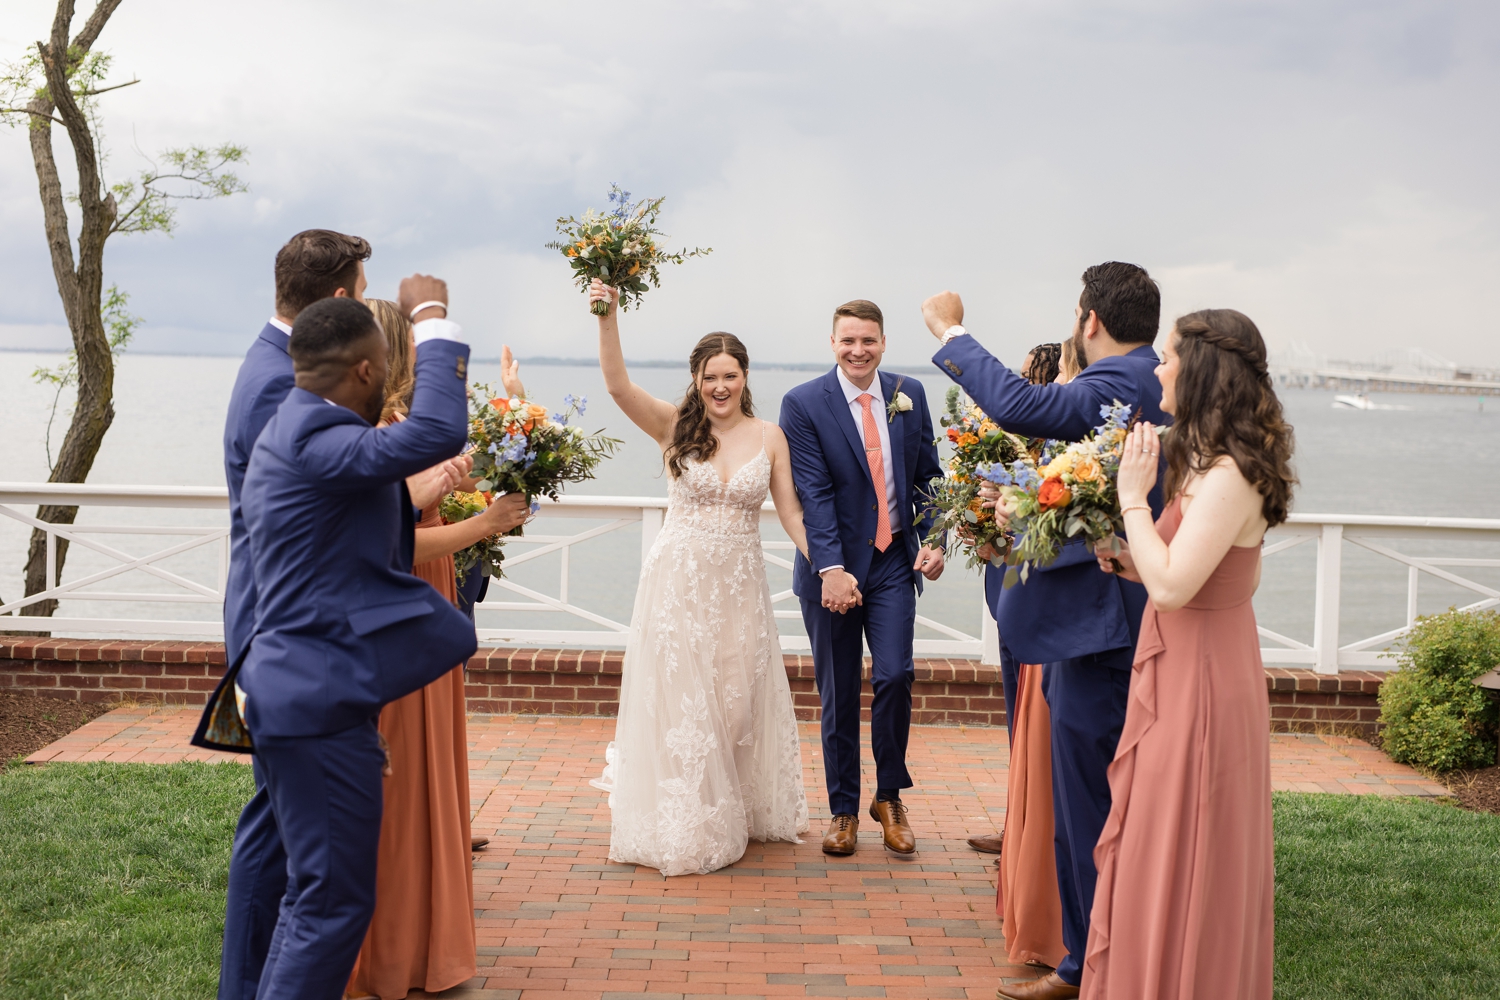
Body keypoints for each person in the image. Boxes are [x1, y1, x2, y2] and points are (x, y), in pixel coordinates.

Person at [923, 262, 1168, 1000]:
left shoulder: (1123, 382)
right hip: (1102, 624)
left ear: (1088, 319)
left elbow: (1022, 404)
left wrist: (951, 330)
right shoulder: (1149, 380)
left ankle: (1091, 968)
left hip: (1101, 630)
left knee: (1089, 807)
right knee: (1088, 805)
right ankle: (1086, 956)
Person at [234, 281, 478, 1000]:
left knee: (311, 902)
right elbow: (437, 431)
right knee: (333, 906)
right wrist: (432, 321)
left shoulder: (296, 426)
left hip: (297, 695)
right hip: (317, 706)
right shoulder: (320, 438)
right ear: (367, 371)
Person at [1081, 309, 1293, 1000]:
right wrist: (1120, 553)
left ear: (1201, 370)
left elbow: (1173, 585)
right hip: (1190, 662)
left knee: (1184, 844)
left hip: (1202, 682)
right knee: (1156, 843)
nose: (1158, 369)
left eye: (1168, 357)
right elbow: (1212, 575)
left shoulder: (1231, 474)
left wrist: (1130, 502)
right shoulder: (1206, 461)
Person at [584, 278, 809, 876]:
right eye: (710, 376)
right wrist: (608, 315)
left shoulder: (770, 436)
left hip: (740, 584)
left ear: (745, 378)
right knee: (684, 705)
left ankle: (727, 804)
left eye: (730, 375)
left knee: (734, 703)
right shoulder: (672, 426)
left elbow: (789, 510)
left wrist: (828, 562)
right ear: (696, 380)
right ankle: (688, 817)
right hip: (678, 582)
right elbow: (616, 385)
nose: (719, 386)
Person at [197, 229, 370, 1000]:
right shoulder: (279, 385)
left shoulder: (272, 363)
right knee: (280, 831)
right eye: (364, 294)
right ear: (339, 300)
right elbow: (310, 506)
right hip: (281, 632)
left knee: (276, 820)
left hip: (276, 626)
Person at [345, 301, 528, 1000]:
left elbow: (455, 471)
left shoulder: (398, 428)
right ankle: (391, 951)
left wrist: (516, 412)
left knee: (425, 777)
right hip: (398, 606)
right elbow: (395, 540)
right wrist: (483, 521)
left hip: (426, 603)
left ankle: (421, 943)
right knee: (399, 783)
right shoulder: (378, 433)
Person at [780, 299, 946, 857]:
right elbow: (813, 494)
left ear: (882, 343)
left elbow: (929, 478)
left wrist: (937, 539)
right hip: (833, 569)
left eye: (868, 341)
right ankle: (844, 809)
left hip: (894, 562)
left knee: (897, 675)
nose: (858, 351)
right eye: (848, 341)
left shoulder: (909, 394)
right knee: (839, 690)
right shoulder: (803, 404)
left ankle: (890, 796)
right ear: (832, 343)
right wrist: (830, 569)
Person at [968, 341, 1063, 858]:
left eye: (1030, 376)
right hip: (1003, 584)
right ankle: (1018, 824)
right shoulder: (1004, 444)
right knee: (1015, 716)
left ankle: (1036, 831)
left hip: (1039, 596)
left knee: (1036, 717)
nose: (1021, 385)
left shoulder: (1058, 455)